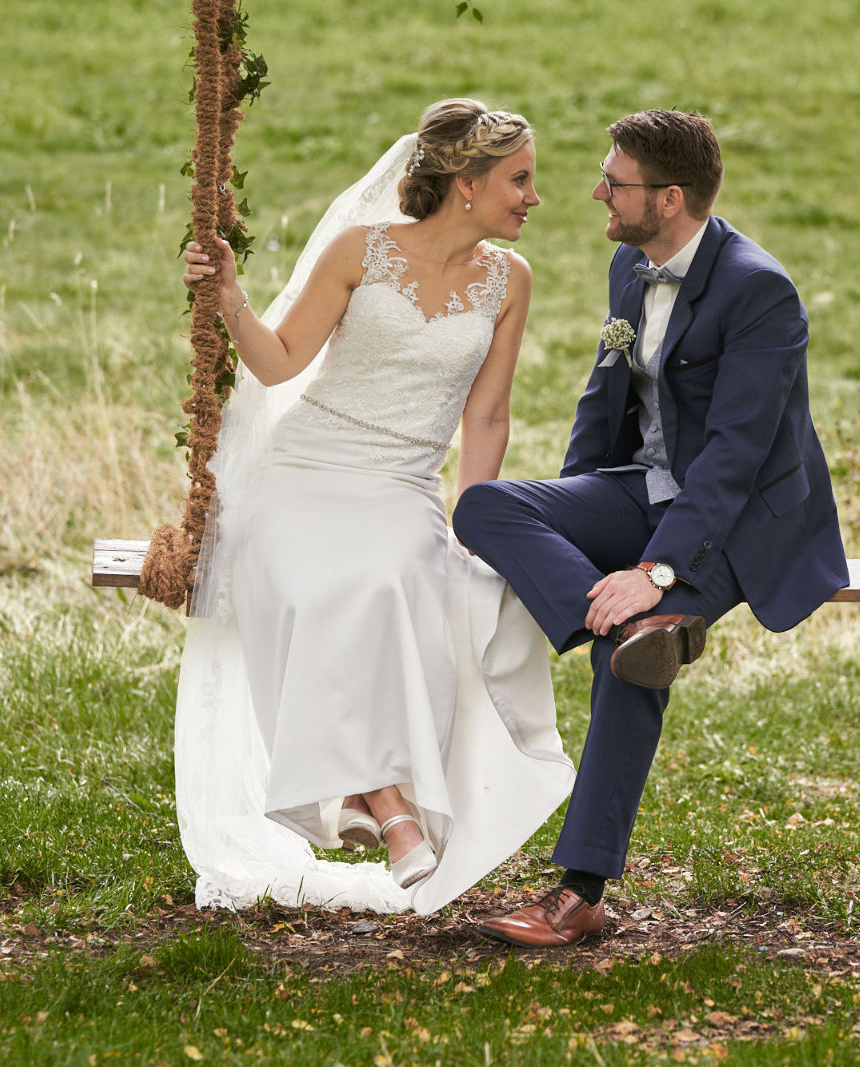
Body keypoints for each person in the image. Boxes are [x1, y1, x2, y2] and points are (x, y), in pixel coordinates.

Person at [454, 109, 849, 946]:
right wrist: (575, 519)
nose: (597, 191)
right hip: (640, 488)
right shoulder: (629, 268)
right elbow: (603, 404)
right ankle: (630, 621)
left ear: (668, 199)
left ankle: (579, 893)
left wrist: (657, 571)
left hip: (736, 520)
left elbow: (736, 459)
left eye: (615, 182)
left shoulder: (759, 290)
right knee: (484, 505)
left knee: (624, 665)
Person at [172, 99, 574, 915]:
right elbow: (280, 363)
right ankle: (390, 807)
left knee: (394, 580)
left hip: (402, 484)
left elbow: (487, 417)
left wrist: (477, 522)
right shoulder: (361, 251)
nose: (534, 197)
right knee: (320, 588)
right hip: (304, 471)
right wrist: (229, 297)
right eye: (520, 179)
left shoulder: (510, 281)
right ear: (466, 183)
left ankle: (367, 796)